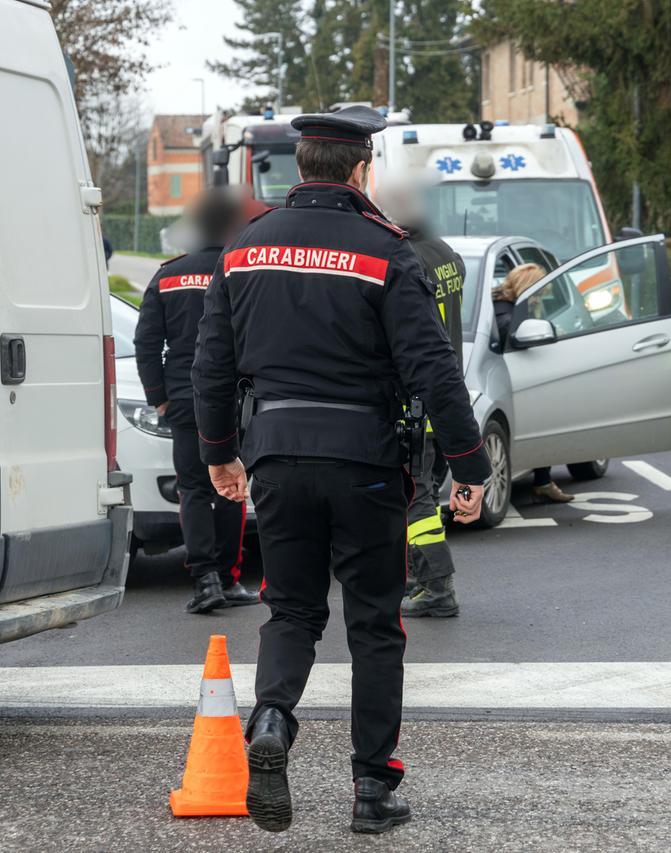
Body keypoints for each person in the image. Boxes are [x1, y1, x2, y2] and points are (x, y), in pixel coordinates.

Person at [191, 106, 490, 835]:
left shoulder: (246, 247)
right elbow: (432, 369)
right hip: (366, 460)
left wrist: (219, 453)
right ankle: (371, 789)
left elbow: (210, 365)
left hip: (276, 455)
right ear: (362, 170)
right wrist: (468, 463)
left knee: (290, 608)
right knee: (374, 626)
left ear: (301, 167)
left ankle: (270, 719)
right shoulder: (388, 251)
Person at [135, 191, 259, 613]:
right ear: (232, 226)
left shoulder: (168, 275)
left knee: (194, 487)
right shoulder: (240, 270)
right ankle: (227, 578)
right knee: (232, 486)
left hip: (185, 400)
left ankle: (205, 580)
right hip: (233, 397)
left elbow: (146, 342)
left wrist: (159, 398)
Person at [376, 174, 468, 618]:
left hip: (418, 403)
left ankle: (437, 586)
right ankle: (417, 582)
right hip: (447, 397)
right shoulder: (446, 253)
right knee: (422, 492)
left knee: (417, 498)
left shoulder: (405, 258)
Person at [492, 263, 575, 503]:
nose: (541, 298)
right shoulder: (503, 309)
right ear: (526, 289)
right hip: (507, 378)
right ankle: (542, 481)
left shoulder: (514, 306)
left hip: (524, 376)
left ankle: (543, 481)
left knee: (544, 421)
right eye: (538, 292)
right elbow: (507, 328)